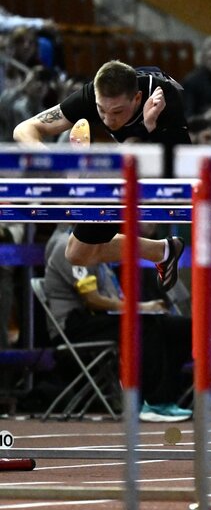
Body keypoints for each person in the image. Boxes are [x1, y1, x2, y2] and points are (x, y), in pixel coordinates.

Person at [13, 60, 191, 292]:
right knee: (77, 254)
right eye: (101, 110)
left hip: (165, 167)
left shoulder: (163, 100)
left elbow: (179, 168)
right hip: (118, 172)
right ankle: (164, 251)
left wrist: (150, 129)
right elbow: (24, 130)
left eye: (117, 111)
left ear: (136, 99)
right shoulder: (90, 96)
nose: (108, 119)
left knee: (128, 166)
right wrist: (55, 164)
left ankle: (87, 180)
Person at [43, 227, 192, 422]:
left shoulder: (94, 243)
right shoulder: (67, 246)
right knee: (145, 325)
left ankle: (165, 400)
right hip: (76, 323)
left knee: (179, 327)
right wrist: (141, 307)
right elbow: (92, 300)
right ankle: (151, 399)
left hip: (104, 317)